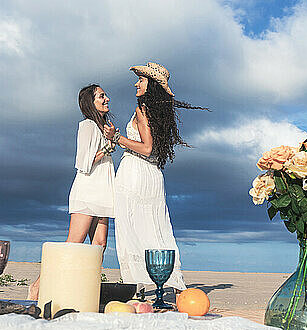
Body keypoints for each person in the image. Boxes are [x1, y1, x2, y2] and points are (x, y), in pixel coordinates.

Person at [106, 62, 207, 295]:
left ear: (150, 85)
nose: (136, 83)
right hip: (152, 175)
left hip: (136, 172)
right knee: (156, 227)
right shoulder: (158, 112)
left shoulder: (142, 109)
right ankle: (166, 283)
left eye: (141, 80)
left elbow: (147, 148)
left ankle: (137, 284)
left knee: (131, 227)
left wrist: (117, 137)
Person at [28, 84, 116, 300]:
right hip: (87, 190)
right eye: (101, 96)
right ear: (90, 102)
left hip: (103, 191)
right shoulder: (87, 126)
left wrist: (110, 140)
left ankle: (86, 291)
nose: (106, 99)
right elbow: (83, 163)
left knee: (100, 244)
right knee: (73, 243)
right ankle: (37, 286)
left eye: (105, 95)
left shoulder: (102, 126)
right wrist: (108, 146)